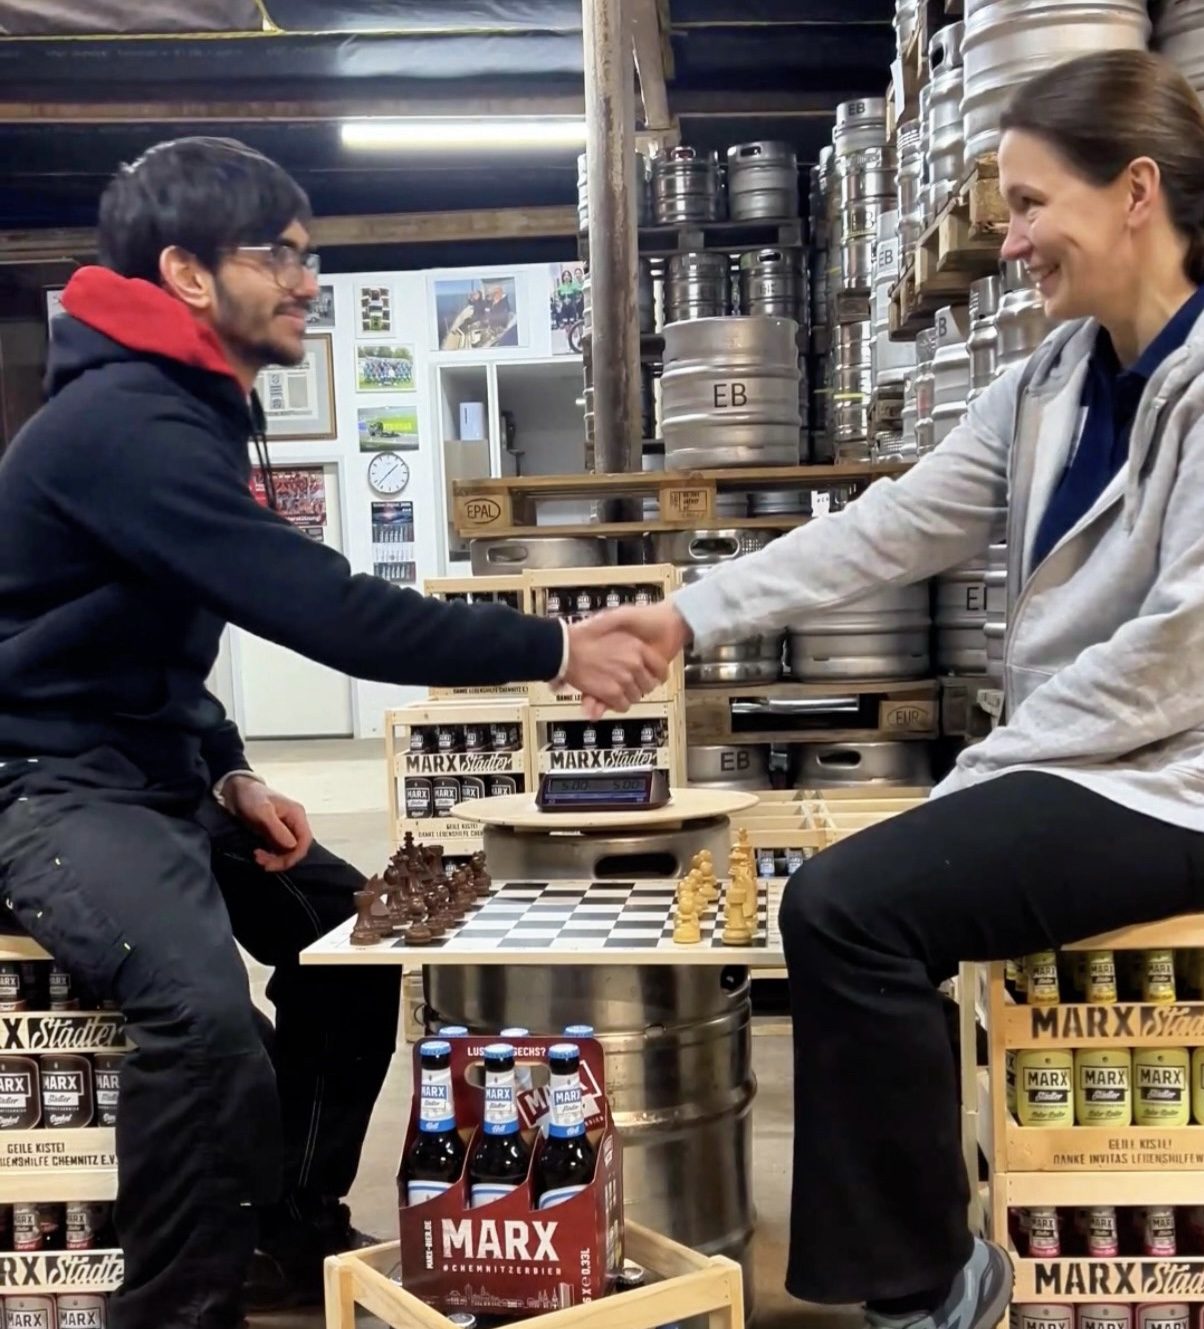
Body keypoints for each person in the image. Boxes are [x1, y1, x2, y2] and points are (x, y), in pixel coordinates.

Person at [0, 136, 665, 1329]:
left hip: (151, 771)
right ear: (188, 273)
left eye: (309, 255)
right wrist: (555, 649)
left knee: (353, 951)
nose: (307, 281)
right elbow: (328, 611)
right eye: (278, 255)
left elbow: (145, 640)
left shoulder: (188, 406)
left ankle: (288, 1231)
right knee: (203, 1028)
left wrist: (229, 772)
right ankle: (176, 1313)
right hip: (46, 785)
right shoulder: (125, 423)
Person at [603, 49, 1204, 1329]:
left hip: (1177, 779)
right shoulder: (1049, 383)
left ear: (1136, 191)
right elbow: (893, 525)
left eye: (1031, 204)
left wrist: (993, 769)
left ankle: (927, 1280)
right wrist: (688, 613)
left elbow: (1180, 650)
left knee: (851, 908)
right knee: (857, 901)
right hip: (1091, 761)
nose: (1011, 240)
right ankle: (919, 1264)